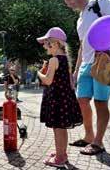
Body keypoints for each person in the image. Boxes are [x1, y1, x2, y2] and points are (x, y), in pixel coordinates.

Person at [64, 0, 110, 155]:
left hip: (104, 61)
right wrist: (76, 70)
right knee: (82, 101)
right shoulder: (80, 20)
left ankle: (98, 142)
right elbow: (83, 46)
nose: (68, 4)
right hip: (86, 64)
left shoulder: (101, 3)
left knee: (100, 102)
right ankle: (89, 136)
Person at [37, 27, 83, 167]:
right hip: (64, 99)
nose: (44, 46)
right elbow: (69, 82)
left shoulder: (53, 60)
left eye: (46, 43)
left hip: (56, 100)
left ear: (55, 43)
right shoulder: (65, 60)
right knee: (62, 128)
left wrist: (39, 73)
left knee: (58, 129)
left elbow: (48, 80)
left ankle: (59, 159)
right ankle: (61, 153)